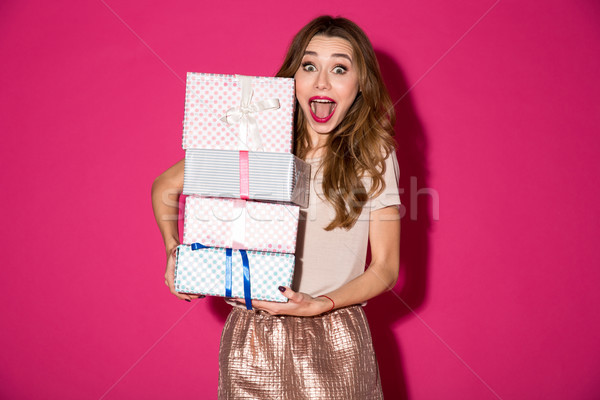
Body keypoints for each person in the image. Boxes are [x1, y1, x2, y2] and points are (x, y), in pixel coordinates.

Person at [151, 15, 401, 399]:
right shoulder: (257, 141)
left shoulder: (374, 155)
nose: (321, 81)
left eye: (339, 68)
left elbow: (385, 268)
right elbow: (166, 186)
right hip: (253, 338)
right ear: (294, 78)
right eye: (309, 65)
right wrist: (175, 253)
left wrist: (320, 304)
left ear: (359, 85)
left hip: (336, 334)